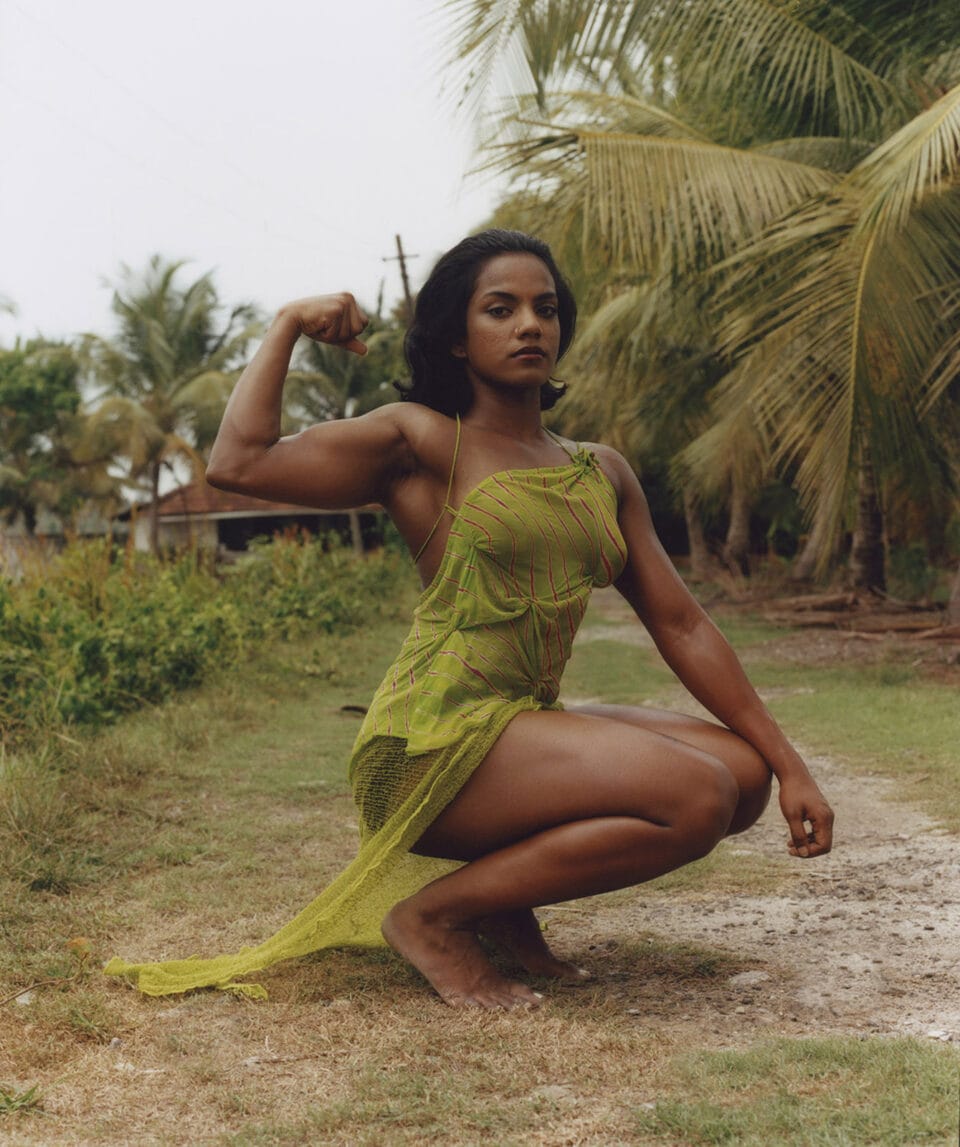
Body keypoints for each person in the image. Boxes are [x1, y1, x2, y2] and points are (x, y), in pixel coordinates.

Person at [104, 230, 833, 1010]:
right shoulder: (421, 440)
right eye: (501, 308)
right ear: (456, 335)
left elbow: (682, 623)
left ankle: (499, 907)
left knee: (746, 777)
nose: (530, 325)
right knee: (697, 793)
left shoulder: (599, 469)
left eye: (545, 309)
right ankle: (434, 917)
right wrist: (286, 323)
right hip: (430, 739)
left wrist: (791, 762)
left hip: (516, 726)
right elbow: (238, 462)